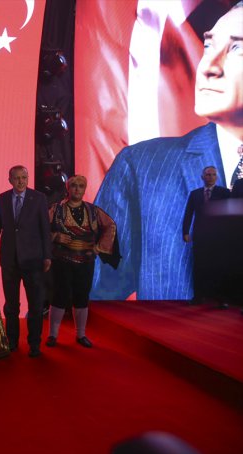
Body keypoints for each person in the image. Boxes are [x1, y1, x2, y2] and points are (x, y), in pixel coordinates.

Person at [92, 3, 243, 301]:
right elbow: (90, 298)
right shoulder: (141, 167)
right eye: (209, 45)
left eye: (238, 49)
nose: (209, 67)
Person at [0, 165, 52, 357]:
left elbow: (45, 229)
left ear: (28, 178)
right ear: (10, 180)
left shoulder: (39, 198)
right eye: (17, 178)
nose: (21, 181)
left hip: (34, 260)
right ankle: (12, 342)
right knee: (11, 306)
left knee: (36, 306)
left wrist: (47, 256)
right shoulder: (2, 198)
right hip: (9, 261)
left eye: (24, 177)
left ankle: (34, 345)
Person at [46, 176, 119, 349]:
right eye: (74, 185)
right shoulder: (56, 210)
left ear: (85, 189)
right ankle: (52, 335)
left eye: (81, 186)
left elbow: (110, 226)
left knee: (82, 296)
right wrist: (55, 236)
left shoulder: (93, 211)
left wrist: (99, 248)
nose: (77, 189)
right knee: (59, 296)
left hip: (86, 261)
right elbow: (40, 228)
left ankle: (81, 335)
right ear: (67, 188)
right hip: (62, 261)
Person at [182, 166, 230, 305]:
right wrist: (185, 232)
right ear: (202, 177)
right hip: (200, 236)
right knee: (199, 266)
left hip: (219, 237)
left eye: (213, 174)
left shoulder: (224, 193)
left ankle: (222, 298)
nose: (211, 177)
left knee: (219, 267)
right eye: (208, 174)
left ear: (217, 177)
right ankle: (198, 296)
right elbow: (188, 213)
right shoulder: (195, 194)